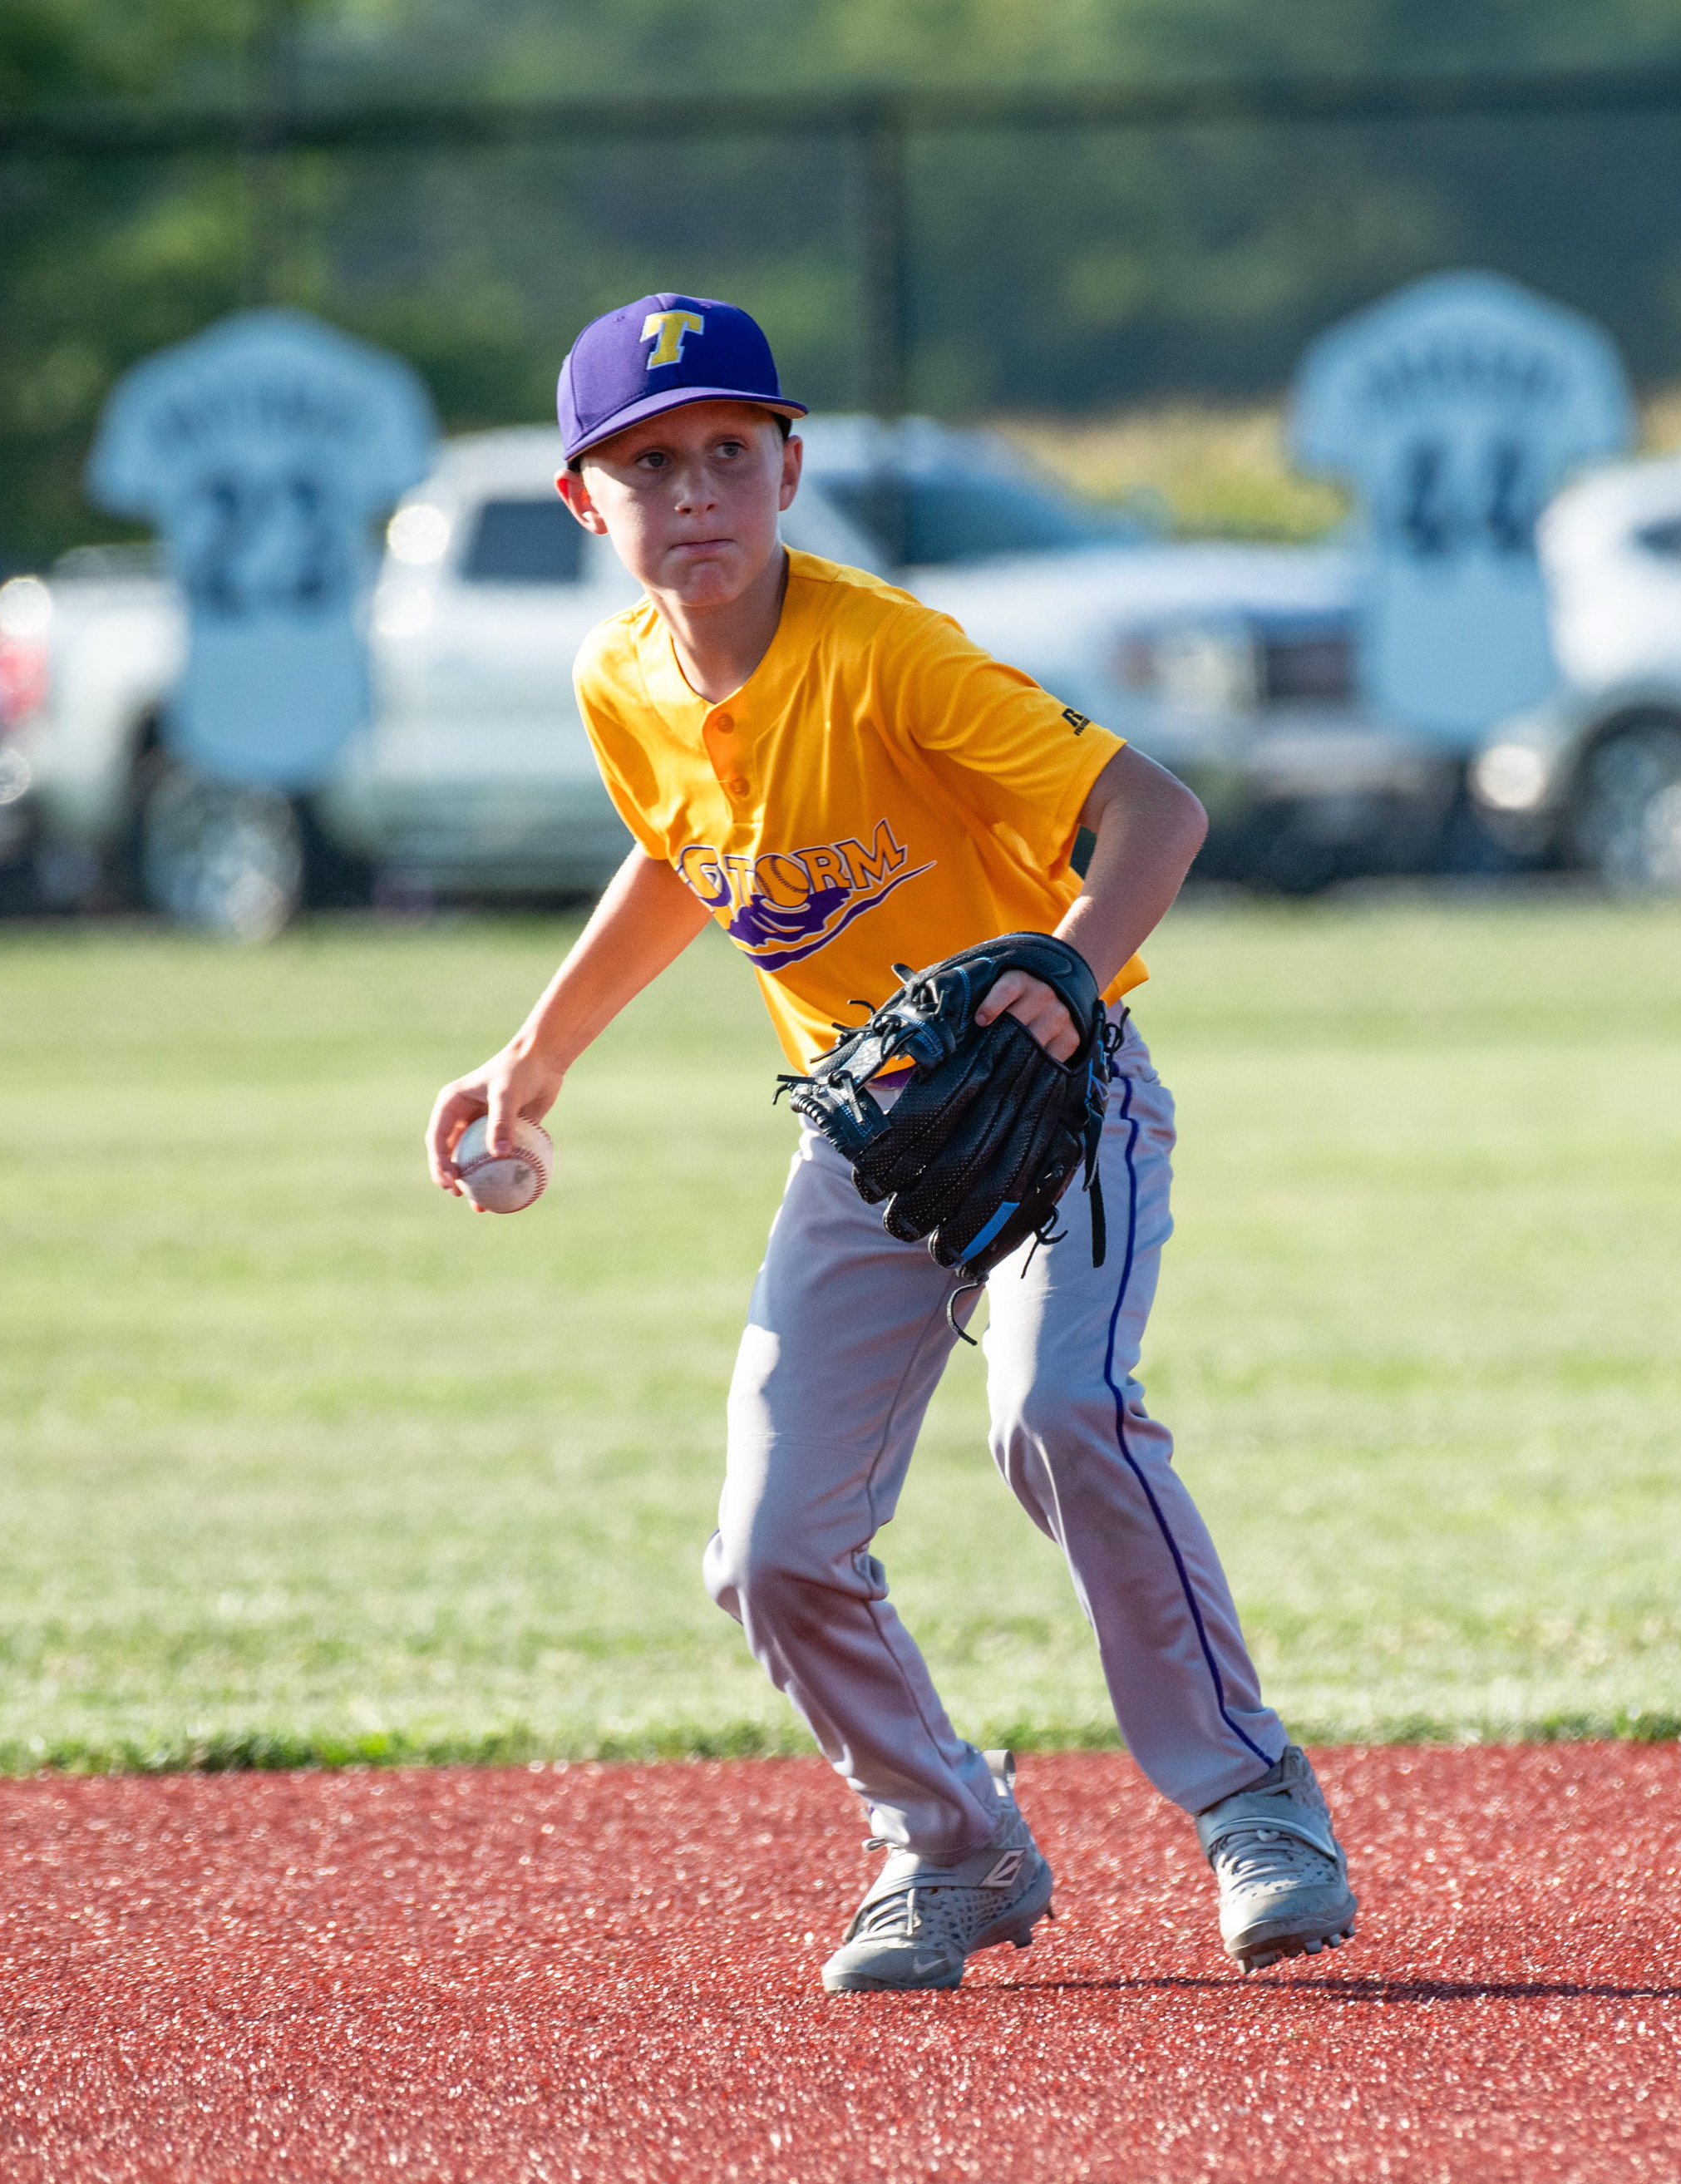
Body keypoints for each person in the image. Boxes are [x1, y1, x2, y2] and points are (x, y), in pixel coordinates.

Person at [424, 293, 1356, 1993]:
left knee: (1059, 1412)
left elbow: (1157, 811)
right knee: (769, 1550)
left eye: (728, 452)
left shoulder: (888, 656)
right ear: (583, 501)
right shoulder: (620, 681)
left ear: (790, 469)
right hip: (868, 1141)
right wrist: (537, 1054)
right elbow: (685, 856)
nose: (693, 493)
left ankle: (1252, 1803)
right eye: (647, 465)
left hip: (1051, 1092)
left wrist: (1071, 968)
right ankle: (951, 1841)